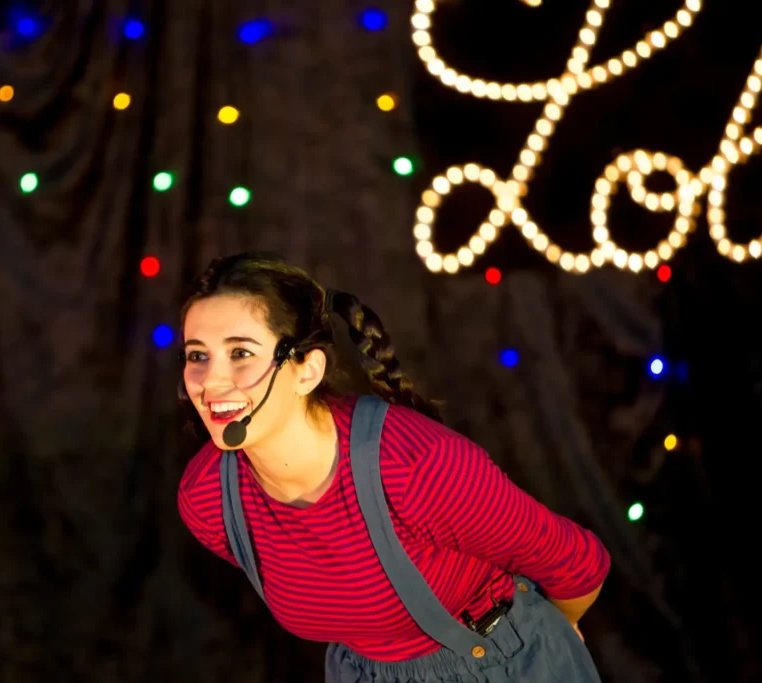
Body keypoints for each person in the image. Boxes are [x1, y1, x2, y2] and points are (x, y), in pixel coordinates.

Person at [177, 252, 609, 682]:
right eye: (198, 356)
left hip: (503, 663)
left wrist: (549, 641)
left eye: (241, 353)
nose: (211, 382)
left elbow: (577, 564)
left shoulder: (418, 468)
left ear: (307, 370)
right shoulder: (209, 500)